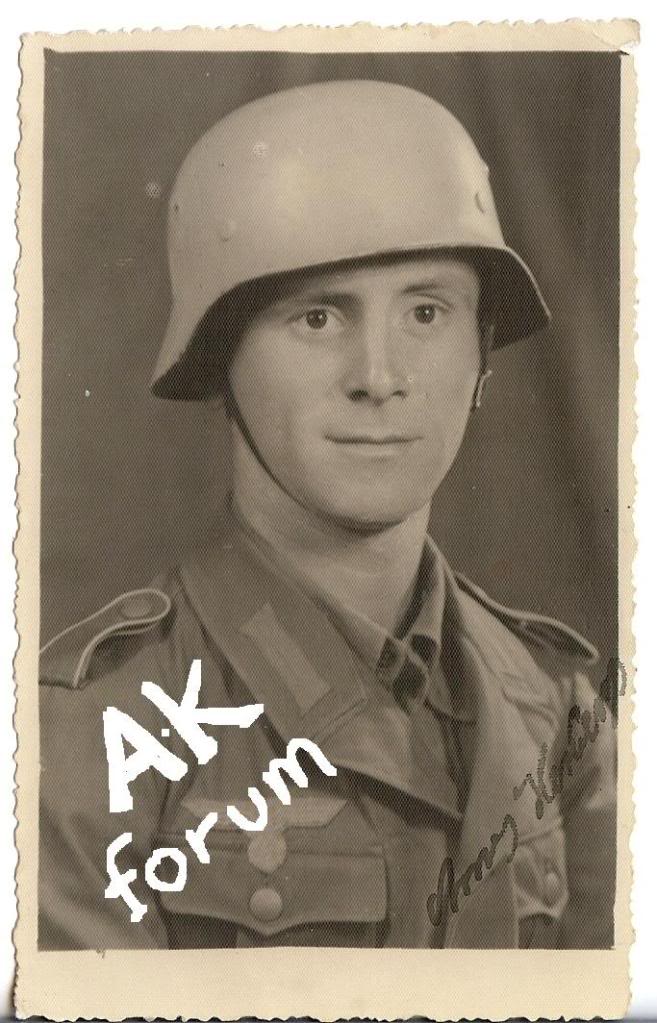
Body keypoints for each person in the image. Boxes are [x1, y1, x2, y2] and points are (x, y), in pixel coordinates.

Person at [39, 79, 616, 950]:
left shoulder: (561, 708)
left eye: (426, 311)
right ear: (218, 357)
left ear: (482, 354)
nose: (379, 375)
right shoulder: (94, 729)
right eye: (316, 316)